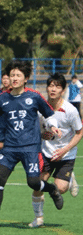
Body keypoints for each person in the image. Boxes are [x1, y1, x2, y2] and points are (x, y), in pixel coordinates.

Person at [0, 60, 64, 230]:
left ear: (26, 78)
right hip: (10, 147)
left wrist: (53, 126)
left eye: (18, 75)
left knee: (33, 182)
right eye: (12, 75)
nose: (14, 78)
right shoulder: (2, 98)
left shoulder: (34, 96)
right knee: (0, 177)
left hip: (30, 147)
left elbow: (49, 114)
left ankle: (52, 189)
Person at [29, 74, 82, 227]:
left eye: (57, 86)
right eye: (51, 86)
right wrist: (42, 135)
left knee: (61, 188)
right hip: (46, 152)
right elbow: (36, 130)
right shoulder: (40, 109)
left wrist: (65, 149)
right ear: (47, 88)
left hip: (66, 154)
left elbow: (79, 133)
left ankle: (69, 179)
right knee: (37, 184)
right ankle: (38, 218)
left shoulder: (70, 110)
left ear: (63, 90)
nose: (53, 89)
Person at [0, 67, 12, 151]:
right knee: (0, 145)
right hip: (1, 122)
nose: (5, 81)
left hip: (11, 122)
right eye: (4, 79)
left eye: (7, 79)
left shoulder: (14, 91)